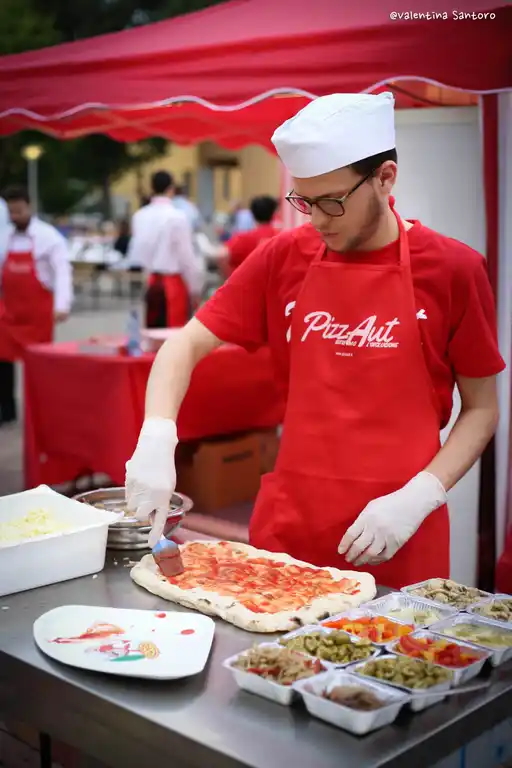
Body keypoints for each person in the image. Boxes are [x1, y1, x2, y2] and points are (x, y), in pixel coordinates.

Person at [124, 92, 505, 586]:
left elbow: (482, 407)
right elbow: (185, 343)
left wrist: (423, 494)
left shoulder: (453, 269)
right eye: (304, 202)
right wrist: (157, 436)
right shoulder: (282, 256)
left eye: (332, 202)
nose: (318, 220)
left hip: (397, 531)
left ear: (385, 178)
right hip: (293, 525)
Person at [0, 185, 73, 424]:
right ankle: (6, 410)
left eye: (19, 211)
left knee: (39, 364)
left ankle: (40, 409)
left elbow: (63, 271)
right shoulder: (4, 236)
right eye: (11, 212)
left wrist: (62, 304)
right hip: (9, 312)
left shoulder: (48, 236)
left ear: (29, 207)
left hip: (37, 312)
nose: (15, 217)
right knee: (3, 361)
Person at [127, 171, 203, 328]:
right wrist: (195, 287)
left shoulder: (140, 216)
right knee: (173, 336)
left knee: (152, 332)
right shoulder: (177, 216)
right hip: (173, 283)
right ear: (171, 189)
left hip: (151, 282)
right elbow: (186, 256)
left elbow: (137, 252)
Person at [217, 195, 279, 276]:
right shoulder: (280, 236)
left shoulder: (242, 238)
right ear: (273, 213)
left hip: (245, 284)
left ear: (252, 213)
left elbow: (222, 255)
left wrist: (229, 276)